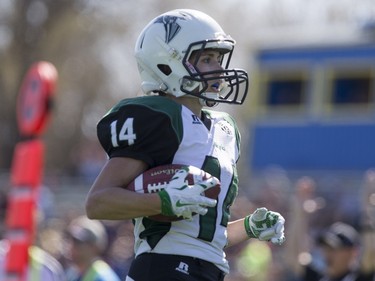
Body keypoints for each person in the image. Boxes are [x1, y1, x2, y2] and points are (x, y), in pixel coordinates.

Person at [85, 9, 286, 281]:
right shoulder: (160, 118)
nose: (219, 68)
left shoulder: (225, 129)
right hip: (160, 269)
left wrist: (249, 227)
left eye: (218, 58)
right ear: (168, 64)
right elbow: (97, 203)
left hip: (209, 272)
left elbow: (203, 235)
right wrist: (162, 202)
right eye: (206, 59)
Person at [285, 176, 375, 281]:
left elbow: (370, 252)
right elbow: (294, 257)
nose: (328, 254)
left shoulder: (360, 277)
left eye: (335, 249)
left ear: (353, 252)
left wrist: (369, 206)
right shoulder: (319, 276)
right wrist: (299, 212)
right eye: (326, 248)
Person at [64, 215, 120, 281]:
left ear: (94, 247)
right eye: (70, 240)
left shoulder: (104, 277)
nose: (71, 246)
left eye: (78, 242)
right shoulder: (73, 274)